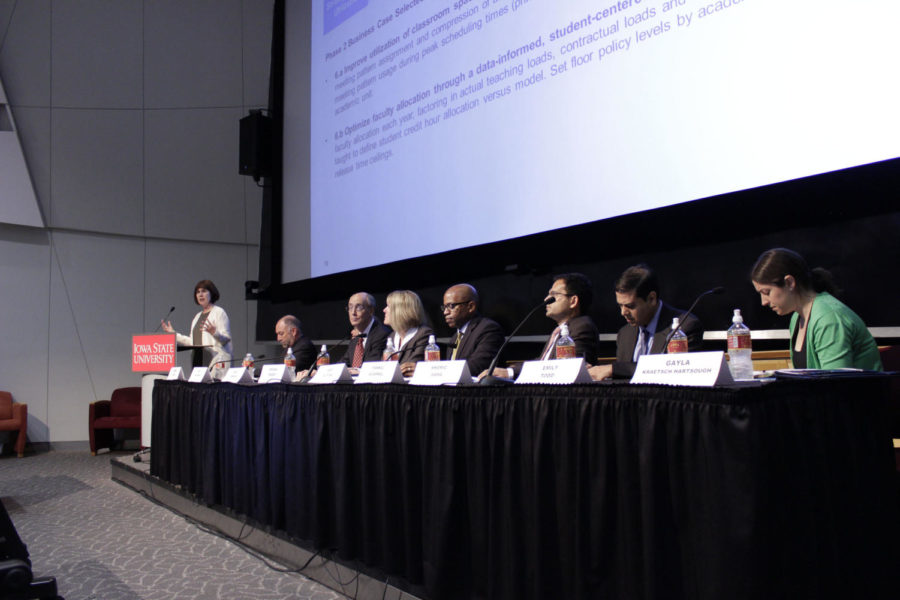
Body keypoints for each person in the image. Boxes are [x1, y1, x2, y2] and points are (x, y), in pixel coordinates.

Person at [750, 248, 882, 370]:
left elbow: (837, 383)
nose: (763, 302)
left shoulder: (828, 318)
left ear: (789, 282)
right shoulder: (797, 317)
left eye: (766, 292)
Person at [589, 264, 704, 380]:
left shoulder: (685, 326)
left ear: (651, 299)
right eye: (620, 306)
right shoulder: (624, 334)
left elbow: (670, 370)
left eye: (630, 306)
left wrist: (613, 369)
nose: (623, 312)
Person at [486, 273, 600, 379]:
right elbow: (543, 362)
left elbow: (567, 367)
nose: (546, 299)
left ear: (573, 301)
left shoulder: (582, 326)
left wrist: (510, 373)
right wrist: (511, 370)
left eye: (554, 295)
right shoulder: (560, 330)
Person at [162, 279, 232, 376]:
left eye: (204, 291)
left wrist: (214, 332)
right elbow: (192, 342)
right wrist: (173, 334)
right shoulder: (197, 317)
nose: (200, 294)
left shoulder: (219, 313)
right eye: (198, 292)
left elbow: (226, 339)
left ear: (211, 293)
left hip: (216, 364)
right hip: (199, 363)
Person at [441, 284, 505, 375]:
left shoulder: (488, 329)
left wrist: (440, 372)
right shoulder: (455, 337)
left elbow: (477, 366)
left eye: (451, 306)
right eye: (444, 307)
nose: (445, 312)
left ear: (471, 307)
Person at [383, 290, 434, 377]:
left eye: (388, 306)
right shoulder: (391, 336)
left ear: (401, 310)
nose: (384, 310)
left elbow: (411, 367)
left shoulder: (424, 334)